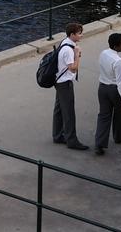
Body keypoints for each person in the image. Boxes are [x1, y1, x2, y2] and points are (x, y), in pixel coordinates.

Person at [51, 22, 89, 150]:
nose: (81, 35)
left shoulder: (65, 43)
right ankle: (71, 140)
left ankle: (57, 135)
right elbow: (73, 68)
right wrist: (77, 55)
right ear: (72, 34)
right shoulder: (68, 49)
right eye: (79, 33)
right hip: (65, 83)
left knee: (59, 109)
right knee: (68, 112)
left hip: (59, 81)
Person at [93, 32, 121, 155]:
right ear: (116, 46)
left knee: (103, 115)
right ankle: (120, 136)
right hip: (114, 90)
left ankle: (99, 143)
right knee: (120, 114)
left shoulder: (103, 53)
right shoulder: (118, 61)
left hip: (102, 87)